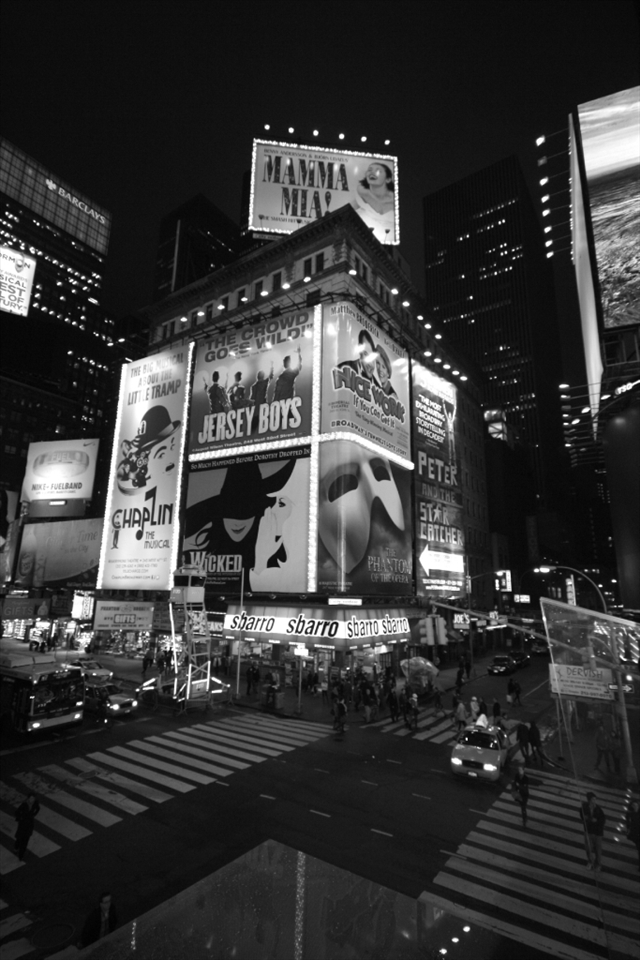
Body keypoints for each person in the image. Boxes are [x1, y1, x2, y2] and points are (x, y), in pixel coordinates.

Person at [353, 162, 395, 242]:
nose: (372, 172)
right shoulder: (360, 192)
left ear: (388, 179)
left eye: (378, 171)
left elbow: (380, 208)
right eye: (369, 170)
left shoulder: (393, 202)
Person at [580, 791, 606, 870]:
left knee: (598, 849)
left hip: (597, 832)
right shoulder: (584, 807)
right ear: (589, 800)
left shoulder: (598, 809)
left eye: (595, 799)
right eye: (593, 799)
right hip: (588, 831)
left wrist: (596, 821)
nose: (594, 801)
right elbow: (582, 815)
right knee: (588, 848)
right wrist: (585, 818)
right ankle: (590, 861)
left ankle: (598, 864)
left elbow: (603, 820)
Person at [15, 793, 40, 859]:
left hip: (29, 824)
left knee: (25, 840)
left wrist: (33, 814)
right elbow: (17, 812)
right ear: (28, 798)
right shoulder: (24, 805)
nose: (32, 800)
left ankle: (21, 855)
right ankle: (16, 847)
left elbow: (38, 808)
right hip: (23, 823)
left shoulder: (35, 803)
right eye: (31, 798)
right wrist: (20, 818)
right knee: (19, 838)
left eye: (33, 798)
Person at [625, 798, 640, 870]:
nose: (635, 806)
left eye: (636, 805)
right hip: (636, 833)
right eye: (633, 805)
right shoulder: (630, 814)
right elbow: (628, 823)